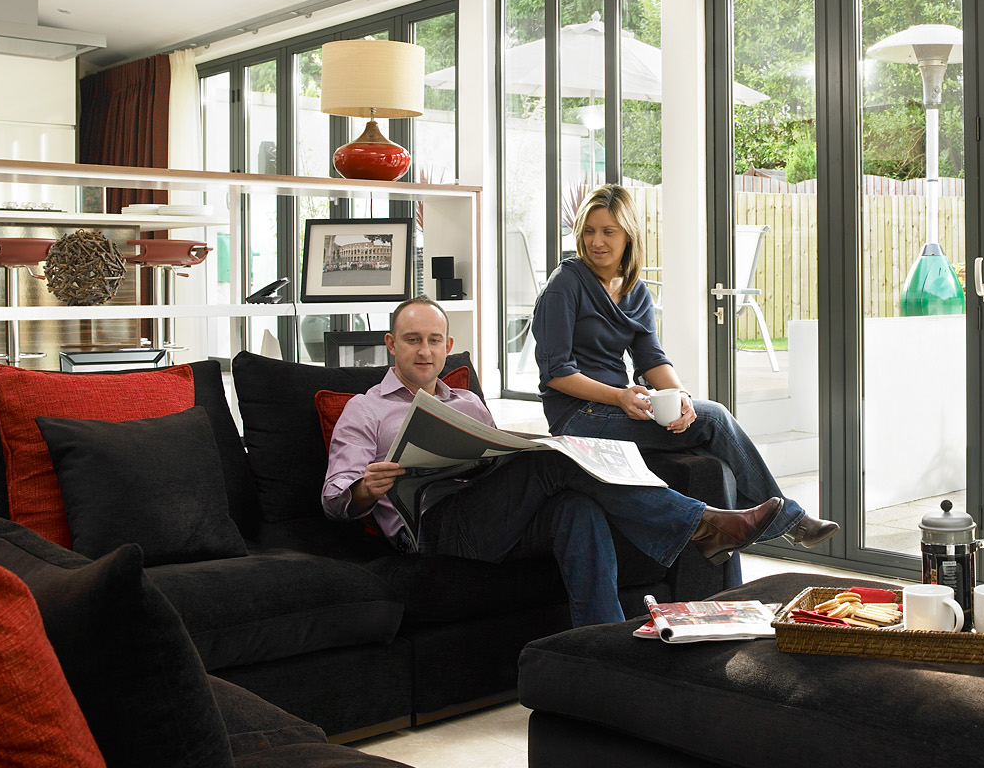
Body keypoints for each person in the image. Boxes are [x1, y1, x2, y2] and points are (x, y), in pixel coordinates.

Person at [321, 295, 783, 627]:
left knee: (576, 508)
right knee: (555, 459)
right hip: (433, 531)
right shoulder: (366, 409)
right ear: (391, 344)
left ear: (447, 344)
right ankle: (702, 524)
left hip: (488, 518)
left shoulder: (467, 402)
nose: (424, 351)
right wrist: (365, 489)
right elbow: (334, 497)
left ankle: (602, 649)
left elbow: (495, 463)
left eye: (434, 340)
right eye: (412, 340)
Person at [531, 184, 839, 550]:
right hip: (577, 416)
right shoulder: (564, 285)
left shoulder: (635, 291)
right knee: (715, 418)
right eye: (589, 231)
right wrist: (620, 397)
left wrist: (680, 396)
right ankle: (790, 522)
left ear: (628, 235)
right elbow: (556, 373)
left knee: (707, 439)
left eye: (608, 231)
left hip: (618, 406)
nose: (597, 241)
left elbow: (651, 359)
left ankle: (739, 530)